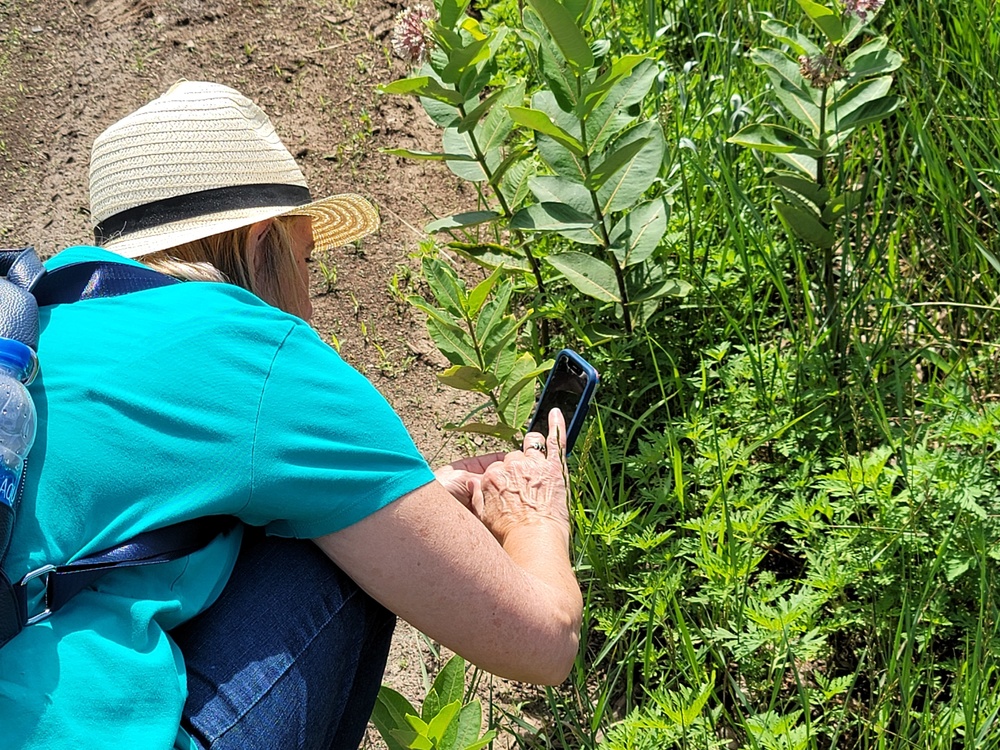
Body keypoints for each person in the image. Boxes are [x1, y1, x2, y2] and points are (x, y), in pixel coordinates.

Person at [0, 81, 582, 749]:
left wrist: (421, 502)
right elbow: (544, 642)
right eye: (305, 260)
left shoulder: (35, 321)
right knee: (338, 555)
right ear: (257, 245)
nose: (309, 301)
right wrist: (536, 521)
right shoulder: (256, 351)